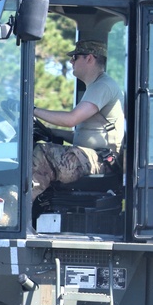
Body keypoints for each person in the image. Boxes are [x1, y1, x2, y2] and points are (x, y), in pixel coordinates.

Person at [32, 40, 124, 201]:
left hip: (102, 160)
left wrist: (32, 110)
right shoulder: (96, 86)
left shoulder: (102, 86)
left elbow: (71, 120)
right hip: (93, 157)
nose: (71, 61)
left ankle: (14, 211)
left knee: (43, 153)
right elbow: (84, 134)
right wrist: (50, 131)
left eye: (75, 57)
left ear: (89, 58)